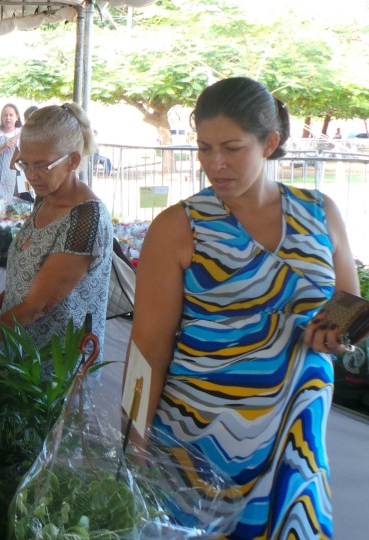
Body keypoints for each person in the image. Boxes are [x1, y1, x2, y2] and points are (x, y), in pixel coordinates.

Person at [127, 77, 358, 539]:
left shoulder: (321, 212)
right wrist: (132, 444)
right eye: (204, 147)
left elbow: (346, 311)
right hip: (198, 445)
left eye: (232, 148)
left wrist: (338, 335)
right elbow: (148, 348)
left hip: (296, 443)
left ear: (269, 143)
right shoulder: (179, 227)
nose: (215, 164)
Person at [0, 103, 113, 360]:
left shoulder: (86, 217)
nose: (31, 175)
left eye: (41, 165)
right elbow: (31, 277)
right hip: (20, 350)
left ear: (73, 160)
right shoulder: (44, 197)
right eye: (25, 164)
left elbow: (36, 306)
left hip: (52, 366)